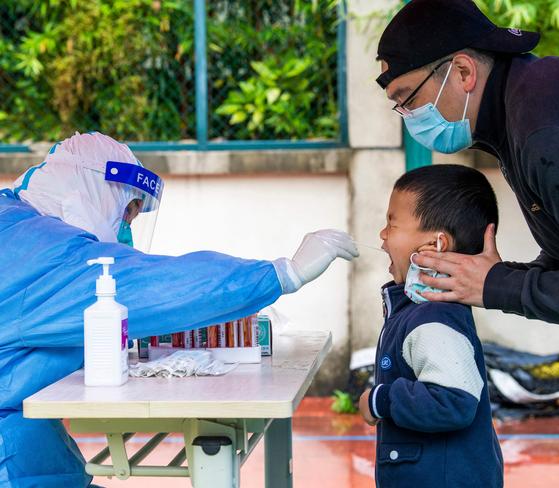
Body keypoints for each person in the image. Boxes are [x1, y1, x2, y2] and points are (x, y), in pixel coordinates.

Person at [375, 0, 559, 485]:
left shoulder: (550, 123)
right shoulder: (516, 118)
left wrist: (496, 286)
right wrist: (495, 279)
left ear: (461, 71)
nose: (407, 115)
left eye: (408, 97)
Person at [0, 131, 358, 487]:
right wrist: (281, 274)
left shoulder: (18, 222)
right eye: (125, 212)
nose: (125, 230)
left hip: (26, 442)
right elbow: (151, 286)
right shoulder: (42, 253)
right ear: (89, 191)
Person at [358, 164, 503, 488]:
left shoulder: (432, 320)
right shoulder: (420, 312)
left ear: (435, 246)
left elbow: (453, 400)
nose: (382, 235)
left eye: (392, 224)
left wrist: (380, 400)